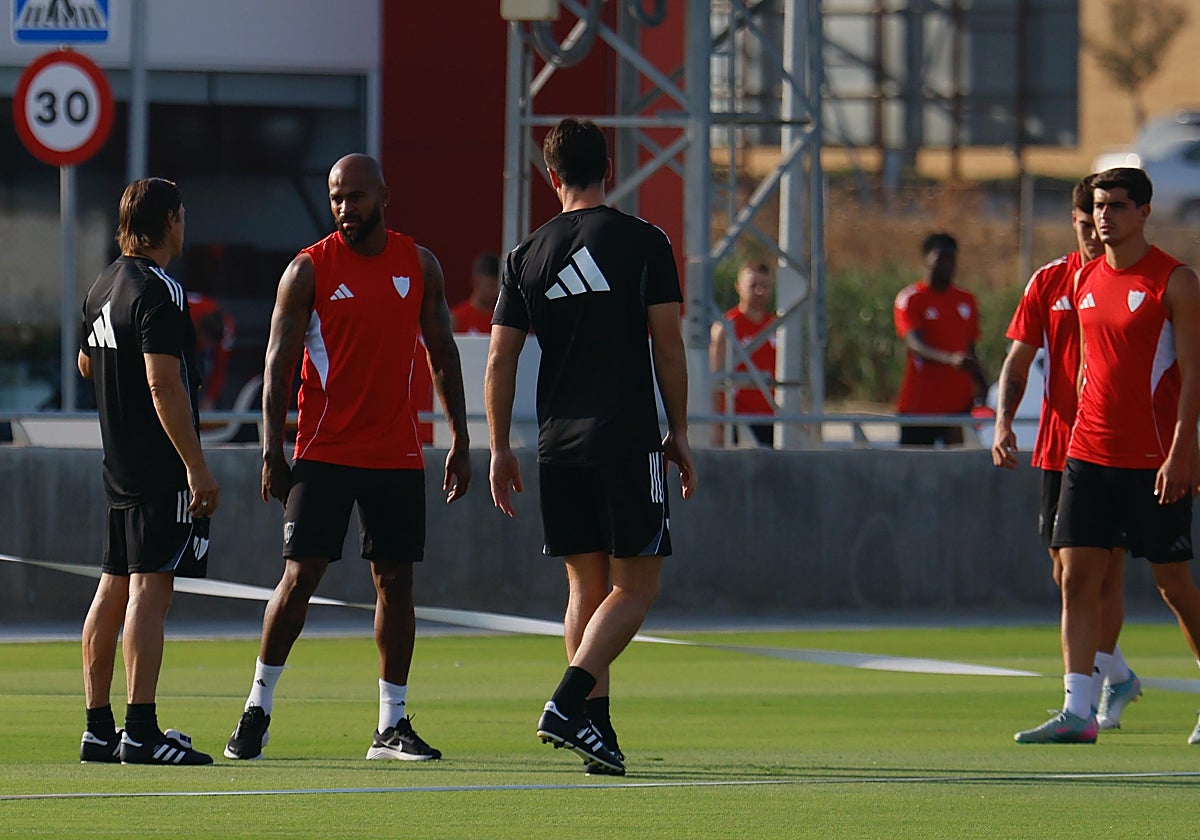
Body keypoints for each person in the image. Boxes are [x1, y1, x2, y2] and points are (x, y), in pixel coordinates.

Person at [224, 154, 471, 762]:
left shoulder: (419, 265)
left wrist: (462, 439)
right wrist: (271, 451)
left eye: (355, 197)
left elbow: (443, 353)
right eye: (336, 198)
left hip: (395, 453)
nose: (345, 208)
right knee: (300, 577)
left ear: (383, 196)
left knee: (396, 582)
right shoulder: (308, 269)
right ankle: (257, 707)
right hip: (324, 451)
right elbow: (277, 363)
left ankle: (391, 725)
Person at [485, 118, 697, 776]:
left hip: (557, 446)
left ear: (551, 177)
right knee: (636, 588)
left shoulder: (524, 256)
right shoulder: (644, 243)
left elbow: (499, 359)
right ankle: (567, 701)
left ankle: (596, 734)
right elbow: (667, 342)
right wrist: (680, 429)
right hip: (627, 440)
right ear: (608, 169)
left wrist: (498, 447)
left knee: (586, 584)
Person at [1015, 167, 1200, 745]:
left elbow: (1193, 373)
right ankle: (1078, 709)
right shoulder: (1086, 277)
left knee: (1172, 582)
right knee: (1075, 578)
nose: (1104, 216)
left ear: (1143, 212)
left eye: (1117, 206)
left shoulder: (1176, 280)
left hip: (1153, 459)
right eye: (1098, 206)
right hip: (1088, 455)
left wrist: (1181, 451)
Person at [77, 177, 219, 765]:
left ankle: (98, 729)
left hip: (118, 465)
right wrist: (196, 467)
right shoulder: (161, 291)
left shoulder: (102, 284)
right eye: (181, 216)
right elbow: (164, 383)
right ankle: (141, 730)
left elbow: (87, 363)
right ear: (169, 221)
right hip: (159, 467)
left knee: (112, 587)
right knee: (149, 590)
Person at [992, 176, 1141, 730]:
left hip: (1115, 447)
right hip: (1059, 445)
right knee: (1066, 574)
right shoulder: (1050, 281)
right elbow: (1019, 358)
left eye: (1100, 218)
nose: (1093, 232)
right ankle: (1116, 673)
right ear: (1075, 222)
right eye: (1084, 221)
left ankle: (1094, 687)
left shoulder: (1129, 279)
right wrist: (1004, 424)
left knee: (1106, 575)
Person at [893, 232, 986, 446]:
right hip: (919, 407)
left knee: (957, 468)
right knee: (915, 470)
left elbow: (970, 347)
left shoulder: (966, 300)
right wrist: (951, 359)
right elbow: (915, 345)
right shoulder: (911, 298)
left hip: (958, 405)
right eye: (940, 258)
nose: (947, 265)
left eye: (951, 259)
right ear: (926, 259)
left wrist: (981, 384)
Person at [709, 262, 776, 447]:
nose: (760, 292)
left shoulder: (776, 326)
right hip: (737, 418)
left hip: (772, 417)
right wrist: (715, 425)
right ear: (739, 287)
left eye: (765, 286)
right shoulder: (727, 327)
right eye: (753, 285)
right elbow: (715, 379)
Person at [186, 292, 236, 411]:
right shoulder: (183, 315)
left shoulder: (227, 329)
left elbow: (220, 367)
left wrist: (209, 399)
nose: (204, 344)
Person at [450, 252, 501, 334]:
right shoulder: (456, 319)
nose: (495, 292)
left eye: (498, 287)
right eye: (491, 285)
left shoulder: (501, 321)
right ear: (476, 282)